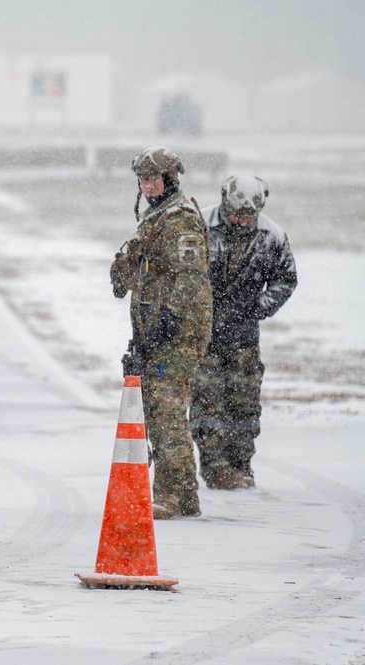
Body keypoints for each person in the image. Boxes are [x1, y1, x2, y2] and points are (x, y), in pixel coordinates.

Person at [110, 147, 213, 519]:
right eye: (143, 180)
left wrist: (169, 320)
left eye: (155, 179)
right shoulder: (155, 218)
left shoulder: (180, 219)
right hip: (155, 331)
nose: (149, 186)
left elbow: (190, 277)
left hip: (179, 332)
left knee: (166, 410)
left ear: (170, 179)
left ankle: (174, 494)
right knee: (156, 407)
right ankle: (183, 494)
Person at [190, 176, 297, 490]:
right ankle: (215, 468)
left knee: (244, 405)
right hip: (204, 335)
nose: (242, 221)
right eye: (237, 215)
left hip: (244, 336)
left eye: (248, 217)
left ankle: (241, 467)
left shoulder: (272, 236)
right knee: (207, 403)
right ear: (225, 203)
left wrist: (257, 307)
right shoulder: (200, 227)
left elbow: (285, 280)